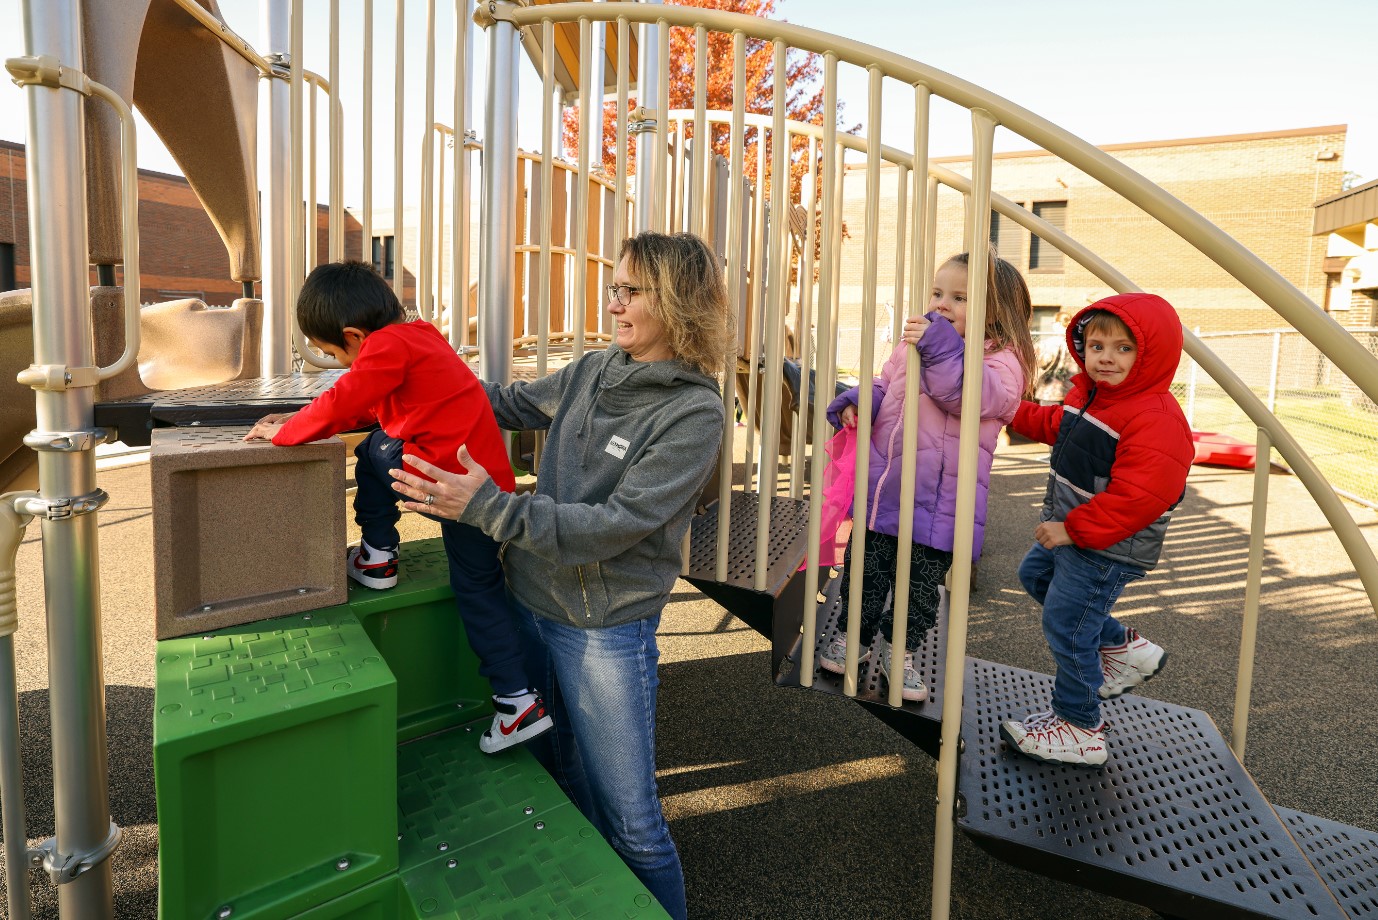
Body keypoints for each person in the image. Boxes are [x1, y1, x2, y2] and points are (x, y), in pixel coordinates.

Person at [388, 231, 731, 920]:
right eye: (615, 286)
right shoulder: (592, 370)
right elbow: (501, 402)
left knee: (632, 818)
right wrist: (398, 376)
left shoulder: (694, 413)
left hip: (602, 631)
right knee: (566, 778)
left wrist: (486, 507)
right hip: (530, 602)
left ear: (678, 302)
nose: (614, 302)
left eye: (630, 291)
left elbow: (614, 525)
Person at [243, 260, 552, 755]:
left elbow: (347, 400)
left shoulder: (385, 346)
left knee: (373, 451)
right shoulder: (419, 335)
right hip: (485, 489)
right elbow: (379, 402)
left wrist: (287, 431)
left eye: (335, 354)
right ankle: (517, 701)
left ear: (354, 335)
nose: (342, 366)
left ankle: (379, 555)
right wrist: (305, 416)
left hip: (445, 481)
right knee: (478, 589)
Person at [819, 251, 1035, 701]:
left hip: (942, 504)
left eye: (959, 298)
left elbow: (968, 396)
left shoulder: (1003, 362)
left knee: (919, 589)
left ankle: (903, 654)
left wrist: (938, 344)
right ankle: (852, 638)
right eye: (938, 293)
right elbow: (888, 383)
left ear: (997, 312)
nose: (941, 304)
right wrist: (862, 401)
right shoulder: (915, 343)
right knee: (867, 570)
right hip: (888, 488)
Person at [1000, 293, 1194, 768]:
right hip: (1080, 531)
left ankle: (1080, 726)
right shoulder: (1090, 395)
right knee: (1036, 577)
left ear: (1151, 355)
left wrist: (1073, 529)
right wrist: (1004, 410)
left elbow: (1142, 497)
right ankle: (1121, 647)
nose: (1106, 356)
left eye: (1124, 348)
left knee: (1067, 624)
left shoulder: (1154, 418)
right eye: (1097, 344)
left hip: (1108, 544)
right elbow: (1055, 424)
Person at [1033, 311, 1076, 405]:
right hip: (1071, 391)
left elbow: (1044, 362)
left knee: (1048, 419)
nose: (1052, 325)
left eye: (1053, 322)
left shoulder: (1051, 343)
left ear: (1059, 324)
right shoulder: (1076, 343)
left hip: (1050, 391)